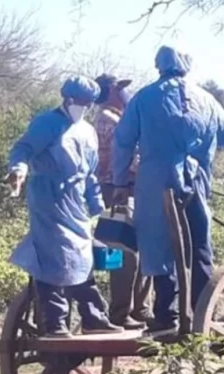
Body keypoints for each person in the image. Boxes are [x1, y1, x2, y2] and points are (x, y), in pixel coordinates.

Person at [112, 46, 224, 333]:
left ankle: (165, 315)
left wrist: (119, 181)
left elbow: (122, 141)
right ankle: (201, 311)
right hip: (197, 182)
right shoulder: (207, 100)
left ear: (159, 66)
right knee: (198, 244)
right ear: (187, 66)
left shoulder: (144, 98)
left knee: (158, 244)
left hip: (157, 182)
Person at [6, 75, 123, 338]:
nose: (81, 106)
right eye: (77, 101)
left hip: (76, 203)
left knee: (83, 257)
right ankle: (55, 323)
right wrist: (18, 170)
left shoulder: (87, 131)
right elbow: (23, 149)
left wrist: (96, 205)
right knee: (54, 258)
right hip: (49, 199)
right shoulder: (47, 124)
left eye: (87, 102)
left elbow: (90, 173)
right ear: (67, 98)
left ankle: (93, 316)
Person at [93, 73, 153, 330]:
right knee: (124, 253)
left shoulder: (116, 118)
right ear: (112, 91)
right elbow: (126, 155)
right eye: (120, 89)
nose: (125, 94)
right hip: (118, 191)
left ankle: (139, 307)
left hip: (127, 190)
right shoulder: (110, 120)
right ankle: (121, 311)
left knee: (141, 249)